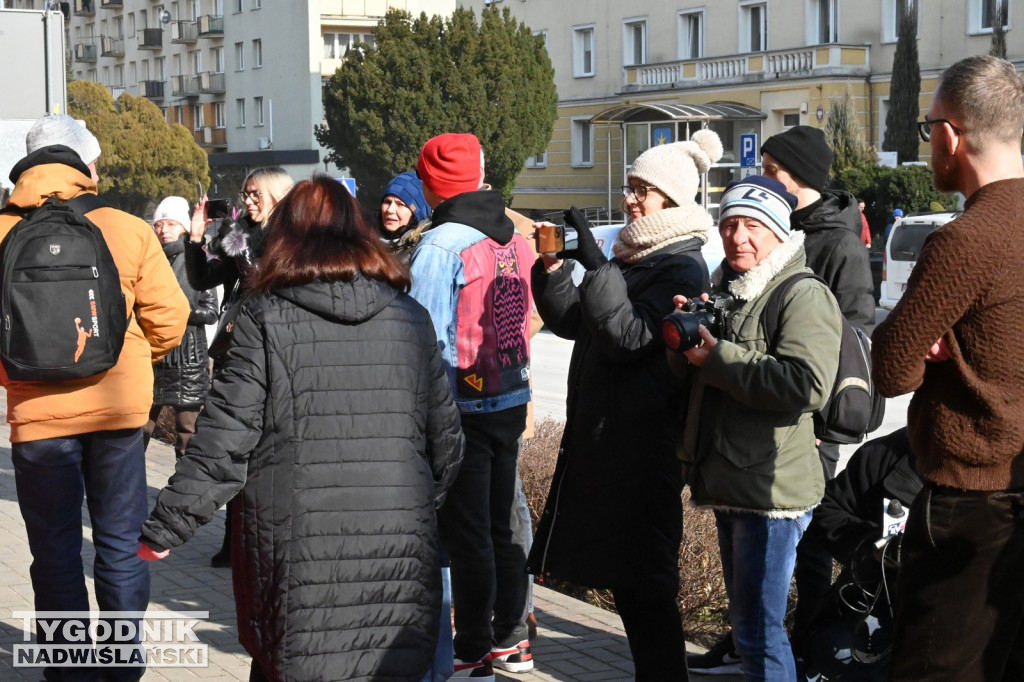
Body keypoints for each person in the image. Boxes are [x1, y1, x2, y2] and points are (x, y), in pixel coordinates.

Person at [138, 176, 466, 682]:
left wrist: (166, 527)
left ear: (285, 237)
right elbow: (445, 444)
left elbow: (225, 439)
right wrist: (412, 503)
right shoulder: (410, 318)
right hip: (397, 549)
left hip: (296, 549)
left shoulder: (264, 318)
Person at [528, 131, 723, 681]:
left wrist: (598, 268)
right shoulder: (636, 256)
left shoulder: (681, 267)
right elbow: (576, 323)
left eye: (644, 189)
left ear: (674, 199)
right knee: (633, 585)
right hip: (612, 442)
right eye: (630, 186)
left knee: (646, 585)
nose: (630, 198)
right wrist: (554, 274)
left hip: (644, 448)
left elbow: (631, 337)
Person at [2, 115, 189, 682]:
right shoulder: (126, 228)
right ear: (85, 166)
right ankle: (122, 661)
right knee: (117, 540)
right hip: (117, 415)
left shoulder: (3, 231)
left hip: (37, 418)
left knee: (53, 549)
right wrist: (133, 363)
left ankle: (69, 668)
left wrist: (17, 379)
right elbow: (171, 318)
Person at [871, 54, 1024, 681]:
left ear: (950, 134)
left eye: (927, 124)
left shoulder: (966, 240)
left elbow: (890, 368)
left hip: (971, 502)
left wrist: (936, 354)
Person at [669, 176, 842, 682]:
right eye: (728, 225)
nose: (737, 237)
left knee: (760, 632)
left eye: (751, 226)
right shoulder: (730, 289)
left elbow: (807, 384)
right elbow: (703, 380)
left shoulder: (801, 294)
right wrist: (687, 344)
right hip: (732, 478)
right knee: (748, 627)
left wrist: (718, 357)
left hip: (773, 489)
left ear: (777, 231)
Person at [408, 132, 534, 681]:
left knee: (469, 530)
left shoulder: (441, 244)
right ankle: (513, 638)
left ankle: (474, 644)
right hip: (510, 393)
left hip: (463, 403)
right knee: (503, 525)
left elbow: (422, 334)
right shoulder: (515, 235)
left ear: (431, 184)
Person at [186, 165, 293, 566]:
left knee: (274, 448)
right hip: (240, 348)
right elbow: (204, 279)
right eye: (245, 194)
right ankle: (233, 540)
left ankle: (271, 541)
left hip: (282, 350)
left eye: (255, 194)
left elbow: (268, 280)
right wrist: (196, 237)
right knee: (235, 442)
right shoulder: (239, 234)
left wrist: (245, 250)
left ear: (277, 195)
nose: (247, 202)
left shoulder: (297, 236)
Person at [799, 428, 923, 680]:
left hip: (962, 621)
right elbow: (827, 508)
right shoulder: (890, 452)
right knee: (832, 649)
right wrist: (872, 547)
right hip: (879, 604)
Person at [143, 196, 219, 460]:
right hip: (152, 354)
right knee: (138, 427)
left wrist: (178, 313)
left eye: (170, 224)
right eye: (159, 225)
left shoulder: (198, 259)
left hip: (188, 358)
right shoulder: (149, 259)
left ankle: (185, 493)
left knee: (188, 433)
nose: (163, 231)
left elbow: (211, 312)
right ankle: (127, 490)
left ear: (184, 227)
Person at [380, 170, 430, 254]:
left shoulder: (423, 251)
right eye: (387, 202)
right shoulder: (366, 242)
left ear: (416, 214)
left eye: (400, 204)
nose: (390, 210)